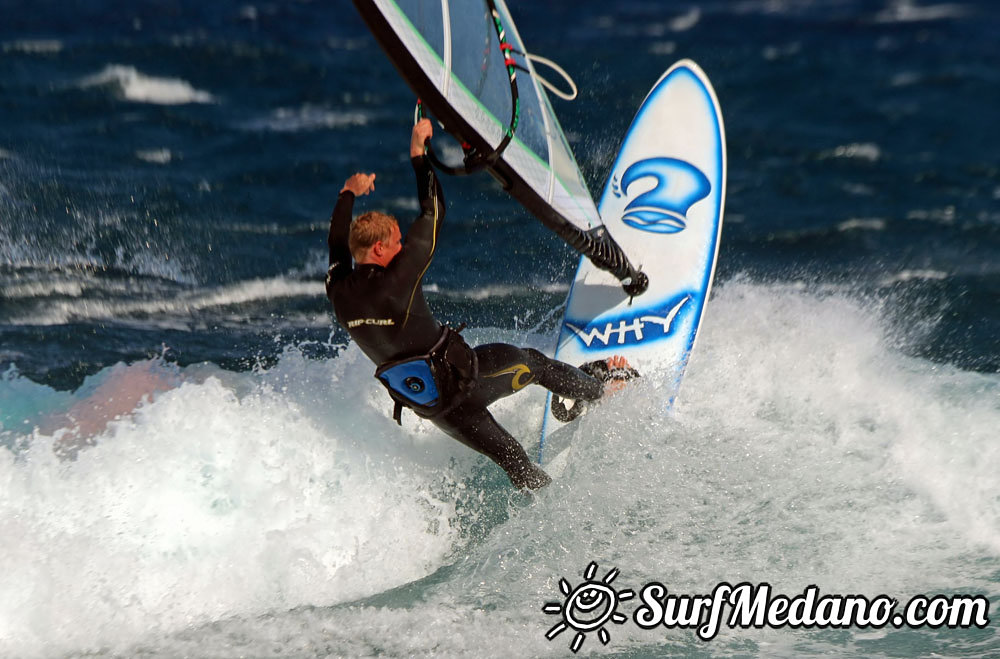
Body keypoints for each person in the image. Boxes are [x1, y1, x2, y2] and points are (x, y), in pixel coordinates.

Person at [325, 119, 635, 489]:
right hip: (467, 381)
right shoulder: (397, 279)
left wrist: (347, 193)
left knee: (513, 461)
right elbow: (433, 213)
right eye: (395, 242)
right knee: (533, 363)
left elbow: (336, 246)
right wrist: (418, 153)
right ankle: (602, 391)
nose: (401, 247)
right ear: (379, 250)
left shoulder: (338, 289)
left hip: (434, 408)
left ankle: (544, 514)